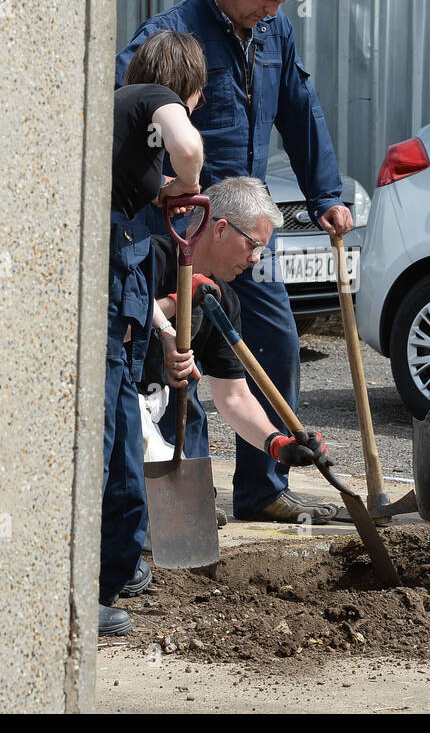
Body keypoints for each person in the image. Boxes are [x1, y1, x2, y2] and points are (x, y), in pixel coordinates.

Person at [115, 0, 352, 524]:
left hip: (247, 224)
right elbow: (125, 108)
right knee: (180, 353)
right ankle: (184, 497)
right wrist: (159, 192)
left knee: (275, 343)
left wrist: (325, 192)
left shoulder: (274, 33)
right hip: (186, 225)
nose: (271, 11)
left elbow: (300, 109)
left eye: (280, 4)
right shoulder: (174, 35)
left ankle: (265, 485)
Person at [141, 177, 333, 524]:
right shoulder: (148, 260)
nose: (257, 260)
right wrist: (176, 302)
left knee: (187, 519)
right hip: (118, 420)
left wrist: (278, 444)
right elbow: (112, 333)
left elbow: (233, 396)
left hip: (171, 425)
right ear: (220, 229)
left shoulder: (223, 300)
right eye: (253, 246)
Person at [102, 30, 205, 638]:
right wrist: (188, 179)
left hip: (129, 323)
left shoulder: (129, 161)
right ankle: (88, 590)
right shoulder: (153, 92)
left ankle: (114, 570)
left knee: (120, 451)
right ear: (184, 85)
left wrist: (168, 335)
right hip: (108, 323)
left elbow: (134, 274)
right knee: (110, 447)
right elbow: (188, 145)